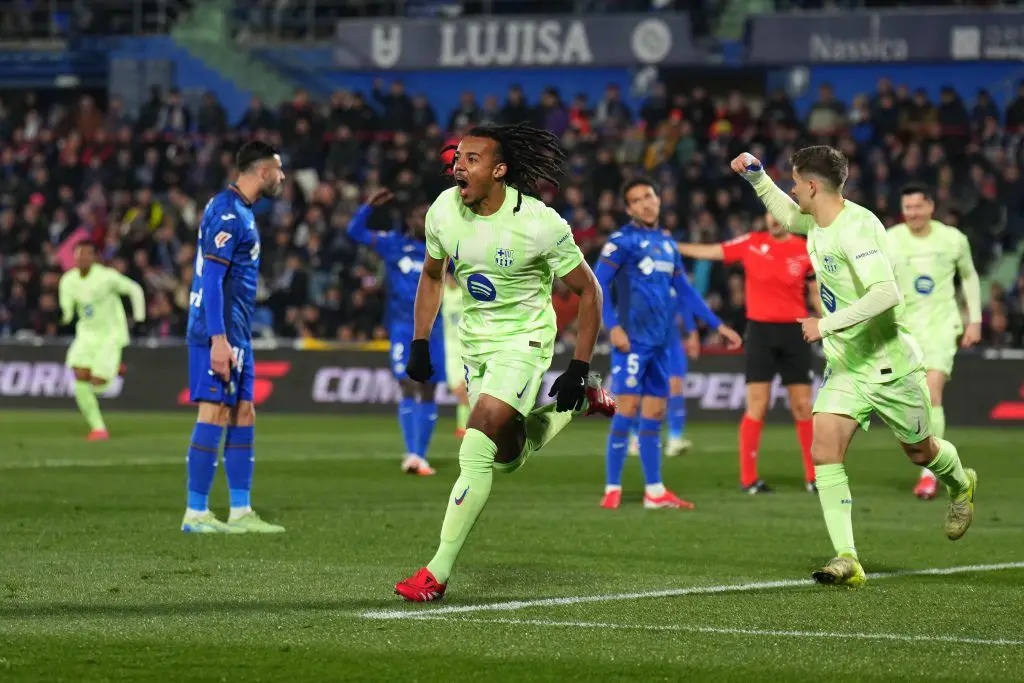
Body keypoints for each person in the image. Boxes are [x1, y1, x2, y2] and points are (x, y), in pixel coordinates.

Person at [734, 146, 976, 588]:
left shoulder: (858, 229)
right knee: (824, 449)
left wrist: (825, 324)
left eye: (793, 181)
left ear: (811, 185)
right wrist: (757, 176)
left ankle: (960, 485)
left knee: (920, 452)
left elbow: (886, 294)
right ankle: (847, 557)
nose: (792, 188)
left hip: (889, 366)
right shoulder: (816, 220)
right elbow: (789, 217)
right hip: (847, 366)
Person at [393, 123, 616, 602]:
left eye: (471, 160)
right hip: (475, 345)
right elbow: (433, 276)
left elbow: (588, 290)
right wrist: (420, 339)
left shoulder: (539, 223)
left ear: (499, 170)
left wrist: (577, 364)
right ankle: (574, 408)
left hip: (524, 342)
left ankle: (435, 573)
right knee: (508, 458)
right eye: (458, 159)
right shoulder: (443, 211)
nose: (459, 166)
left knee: (474, 449)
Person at [597, 178, 742, 510]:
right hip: (632, 343)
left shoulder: (667, 245)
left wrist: (718, 325)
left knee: (654, 413)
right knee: (628, 409)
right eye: (637, 200)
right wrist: (612, 327)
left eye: (649, 196)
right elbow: (597, 285)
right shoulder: (621, 242)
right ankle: (612, 487)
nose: (646, 203)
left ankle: (655, 491)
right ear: (629, 208)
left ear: (659, 199)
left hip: (662, 343)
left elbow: (687, 292)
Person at [182, 141, 287, 534]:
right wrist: (218, 340)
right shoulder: (228, 213)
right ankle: (196, 513)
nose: (282, 177)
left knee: (244, 411)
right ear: (262, 172)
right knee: (213, 411)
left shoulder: (238, 208)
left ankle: (240, 511)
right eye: (278, 170)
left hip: (237, 331)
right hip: (217, 333)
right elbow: (210, 279)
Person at [679, 212, 820, 494]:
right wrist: (673, 246)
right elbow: (714, 251)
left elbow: (815, 293)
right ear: (764, 217)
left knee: (803, 406)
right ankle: (748, 479)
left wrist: (830, 321)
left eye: (780, 215)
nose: (774, 220)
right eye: (770, 214)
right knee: (757, 404)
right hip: (760, 333)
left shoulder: (806, 248)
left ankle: (814, 477)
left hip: (796, 333)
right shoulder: (752, 243)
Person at [887, 184, 982, 500]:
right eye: (907, 208)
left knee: (933, 392)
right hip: (903, 330)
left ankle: (929, 474)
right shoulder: (891, 239)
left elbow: (969, 276)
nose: (912, 213)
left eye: (917, 207)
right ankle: (935, 462)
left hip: (942, 326)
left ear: (930, 206)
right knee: (915, 402)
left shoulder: (953, 239)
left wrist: (975, 320)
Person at [347, 190, 444, 476]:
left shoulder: (444, 250)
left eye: (429, 217)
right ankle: (412, 453)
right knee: (406, 383)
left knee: (428, 387)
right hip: (403, 327)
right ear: (409, 219)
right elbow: (355, 231)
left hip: (434, 328)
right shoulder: (393, 245)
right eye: (419, 216)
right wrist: (367, 208)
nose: (424, 221)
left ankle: (419, 455)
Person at [58, 241, 146, 440]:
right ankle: (98, 428)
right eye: (79, 254)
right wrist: (61, 317)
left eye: (87, 254)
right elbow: (67, 310)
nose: (82, 258)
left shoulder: (107, 277)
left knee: (97, 383)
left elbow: (135, 290)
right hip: (86, 334)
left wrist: (139, 319)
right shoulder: (68, 280)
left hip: (110, 335)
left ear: (95, 257)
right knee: (79, 375)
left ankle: (114, 371)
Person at [442, 267, 471, 438]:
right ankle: (467, 425)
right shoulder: (443, 293)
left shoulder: (465, 293)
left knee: (466, 389)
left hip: (467, 346)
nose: (446, 280)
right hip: (450, 348)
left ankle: (463, 427)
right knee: (458, 390)